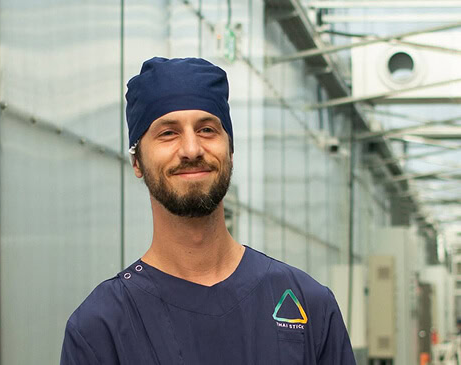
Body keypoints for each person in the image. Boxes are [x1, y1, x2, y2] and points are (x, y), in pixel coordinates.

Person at [60, 57, 356, 365]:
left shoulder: (309, 305)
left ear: (230, 150)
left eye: (206, 129)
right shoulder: (101, 327)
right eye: (168, 133)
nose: (191, 149)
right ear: (137, 162)